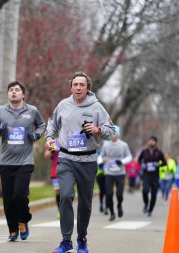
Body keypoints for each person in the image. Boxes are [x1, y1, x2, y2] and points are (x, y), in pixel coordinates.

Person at [45, 71, 116, 253]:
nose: (78, 88)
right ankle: (66, 240)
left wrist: (98, 129)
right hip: (66, 158)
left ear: (87, 88)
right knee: (66, 195)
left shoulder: (97, 107)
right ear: (71, 87)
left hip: (88, 160)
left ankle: (82, 239)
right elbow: (52, 123)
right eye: (75, 85)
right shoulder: (63, 105)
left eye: (81, 85)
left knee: (85, 202)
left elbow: (111, 130)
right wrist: (49, 138)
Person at [0, 81, 46, 242]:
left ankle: (24, 219)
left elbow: (42, 125)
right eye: (11, 90)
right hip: (6, 162)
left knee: (20, 195)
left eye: (17, 90)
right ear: (8, 94)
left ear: (23, 94)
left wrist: (36, 135)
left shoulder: (32, 111)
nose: (13, 92)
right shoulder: (1, 111)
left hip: (25, 161)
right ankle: (13, 229)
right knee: (8, 200)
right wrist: (0, 130)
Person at [101, 126, 132, 221]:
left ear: (118, 134)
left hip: (120, 173)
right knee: (109, 194)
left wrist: (122, 161)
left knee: (119, 194)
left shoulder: (123, 145)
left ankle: (119, 205)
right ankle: (112, 213)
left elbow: (129, 157)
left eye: (114, 133)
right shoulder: (106, 145)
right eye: (111, 134)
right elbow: (101, 156)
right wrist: (100, 161)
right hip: (109, 173)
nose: (113, 136)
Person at [138, 136, 166, 217]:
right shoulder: (144, 151)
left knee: (154, 194)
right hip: (146, 174)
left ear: (155, 142)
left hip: (155, 175)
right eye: (150, 141)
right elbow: (139, 160)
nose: (151, 142)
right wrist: (142, 164)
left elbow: (164, 162)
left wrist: (158, 164)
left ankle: (150, 209)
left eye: (152, 141)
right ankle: (146, 204)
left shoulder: (159, 152)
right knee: (145, 191)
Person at [44, 137, 61, 219]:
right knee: (58, 192)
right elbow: (46, 155)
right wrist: (52, 150)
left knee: (67, 192)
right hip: (55, 171)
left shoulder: (71, 139)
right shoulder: (54, 141)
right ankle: (60, 210)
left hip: (69, 171)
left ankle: (66, 209)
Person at [96, 149, 107, 214]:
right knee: (102, 191)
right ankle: (101, 204)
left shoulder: (110, 150)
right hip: (100, 175)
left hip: (108, 175)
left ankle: (106, 207)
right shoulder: (98, 151)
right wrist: (101, 162)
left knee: (107, 191)